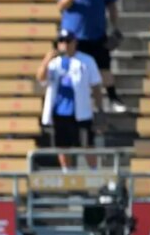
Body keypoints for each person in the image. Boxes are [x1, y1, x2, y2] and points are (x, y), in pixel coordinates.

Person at [56, 0, 126, 113]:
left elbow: (111, 4)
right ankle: (73, 102)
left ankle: (112, 98)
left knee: (104, 69)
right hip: (75, 37)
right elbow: (61, 6)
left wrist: (115, 27)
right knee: (74, 71)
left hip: (97, 34)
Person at [36, 29, 103, 171]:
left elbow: (96, 85)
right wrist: (46, 61)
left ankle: (94, 172)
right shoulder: (54, 64)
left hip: (81, 111)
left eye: (67, 41)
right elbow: (41, 78)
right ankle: (67, 173)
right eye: (61, 41)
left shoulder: (86, 61)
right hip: (60, 111)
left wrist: (99, 108)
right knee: (63, 145)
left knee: (87, 144)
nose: (64, 45)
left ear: (74, 42)